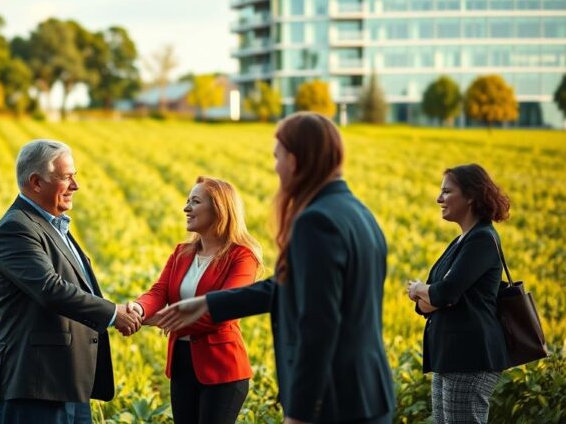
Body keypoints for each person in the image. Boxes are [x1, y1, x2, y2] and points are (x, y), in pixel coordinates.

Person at [155, 112, 394, 424]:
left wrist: (301, 411)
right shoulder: (359, 213)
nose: (276, 167)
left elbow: (318, 324)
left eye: (277, 157)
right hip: (370, 394)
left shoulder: (315, 221)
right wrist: (207, 303)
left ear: (294, 160)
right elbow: (284, 286)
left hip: (333, 400)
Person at [0, 139, 142, 424]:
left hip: (67, 381)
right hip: (36, 386)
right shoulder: (17, 228)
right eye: (66, 177)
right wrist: (113, 313)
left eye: (75, 176)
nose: (75, 186)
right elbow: (50, 289)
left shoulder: (52, 225)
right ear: (36, 182)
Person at [130, 176, 261, 424]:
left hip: (222, 371)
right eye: (187, 201)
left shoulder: (242, 257)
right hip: (182, 364)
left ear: (219, 209)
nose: (186, 208)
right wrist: (139, 308)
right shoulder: (182, 252)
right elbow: (159, 292)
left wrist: (166, 320)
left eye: (195, 202)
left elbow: (225, 309)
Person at [406, 164, 511, 424]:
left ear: (471, 196)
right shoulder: (462, 241)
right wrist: (433, 295)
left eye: (446, 192)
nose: (438, 199)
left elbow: (444, 292)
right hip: (450, 356)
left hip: (470, 357)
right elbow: (435, 296)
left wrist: (419, 290)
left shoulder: (482, 239)